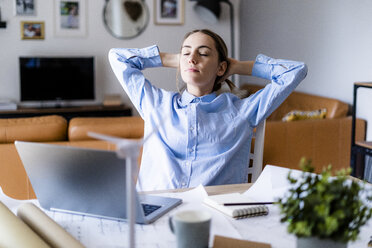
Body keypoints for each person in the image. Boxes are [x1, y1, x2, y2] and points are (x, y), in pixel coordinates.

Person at [109, 29, 307, 191]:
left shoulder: (242, 111)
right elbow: (117, 57)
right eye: (186, 53)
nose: (192, 58)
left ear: (221, 68)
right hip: (156, 208)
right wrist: (171, 59)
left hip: (214, 213)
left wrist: (238, 66)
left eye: (203, 53)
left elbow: (295, 71)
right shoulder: (156, 103)